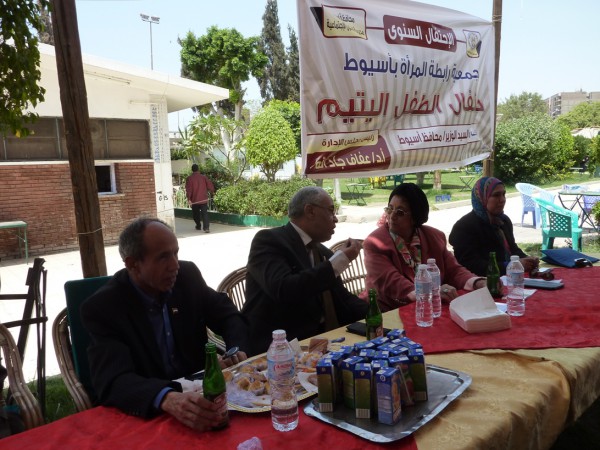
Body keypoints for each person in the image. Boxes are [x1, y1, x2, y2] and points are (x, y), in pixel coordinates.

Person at [81, 217, 248, 432]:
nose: (175, 265)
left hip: (204, 398)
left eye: (175, 253)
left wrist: (236, 349)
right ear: (132, 264)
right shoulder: (104, 307)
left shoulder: (187, 276)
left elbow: (228, 315)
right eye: (163, 257)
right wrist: (166, 398)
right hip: (148, 413)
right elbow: (114, 380)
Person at [242, 186, 368, 355]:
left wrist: (377, 314)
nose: (335, 219)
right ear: (310, 211)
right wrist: (340, 260)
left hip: (324, 343)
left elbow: (342, 297)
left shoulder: (320, 251)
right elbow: (284, 288)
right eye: (331, 211)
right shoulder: (269, 241)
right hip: (278, 351)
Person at [361, 183, 487, 312]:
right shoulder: (374, 243)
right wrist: (430, 292)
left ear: (415, 217)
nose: (392, 216)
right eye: (389, 209)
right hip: (387, 310)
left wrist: (478, 282)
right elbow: (391, 281)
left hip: (429, 307)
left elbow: (454, 270)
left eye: (400, 212)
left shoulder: (434, 237)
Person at [449, 176, 539, 276]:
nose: (502, 200)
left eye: (503, 194)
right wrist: (509, 266)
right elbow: (470, 265)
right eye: (496, 195)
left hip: (509, 278)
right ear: (482, 198)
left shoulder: (503, 221)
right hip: (484, 281)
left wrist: (527, 259)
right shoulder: (464, 227)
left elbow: (513, 250)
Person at [185, 164, 215, 232]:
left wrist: (189, 199)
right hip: (203, 199)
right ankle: (206, 228)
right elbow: (210, 185)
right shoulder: (203, 177)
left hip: (195, 200)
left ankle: (198, 225)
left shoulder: (189, 178)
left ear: (192, 170)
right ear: (198, 169)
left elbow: (189, 189)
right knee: (205, 214)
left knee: (195, 214)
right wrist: (213, 192)